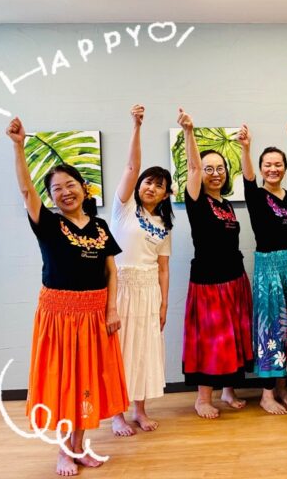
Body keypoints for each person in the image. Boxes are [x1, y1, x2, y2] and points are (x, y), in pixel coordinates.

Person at [7, 117, 129, 476]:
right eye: (56, 188)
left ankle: (78, 447)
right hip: (59, 315)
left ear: (83, 188)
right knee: (65, 384)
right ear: (51, 197)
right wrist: (18, 146)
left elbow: (111, 272)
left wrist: (111, 309)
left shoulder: (100, 226)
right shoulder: (48, 223)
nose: (65, 192)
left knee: (87, 384)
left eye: (70, 184)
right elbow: (26, 191)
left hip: (95, 314)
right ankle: (63, 451)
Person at [179, 108, 253, 419]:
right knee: (210, 341)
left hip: (234, 278)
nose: (214, 173)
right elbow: (193, 167)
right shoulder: (196, 200)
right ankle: (202, 399)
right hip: (208, 282)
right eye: (209, 168)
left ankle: (228, 390)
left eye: (220, 168)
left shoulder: (225, 204)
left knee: (231, 338)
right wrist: (189, 132)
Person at [110, 104, 174, 435]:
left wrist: (164, 304)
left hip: (150, 291)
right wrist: (136, 126)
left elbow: (164, 269)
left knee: (144, 351)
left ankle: (140, 410)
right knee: (120, 351)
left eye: (159, 185)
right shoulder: (123, 207)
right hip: (120, 288)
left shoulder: (163, 224)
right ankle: (117, 414)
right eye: (148, 182)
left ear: (165, 194)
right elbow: (131, 166)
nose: (151, 187)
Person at [238, 118, 287, 414]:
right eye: (268, 165)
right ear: (262, 168)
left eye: (278, 165)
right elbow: (248, 177)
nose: (273, 169)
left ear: (284, 168)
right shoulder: (256, 196)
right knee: (272, 329)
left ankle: (281, 386)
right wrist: (246, 147)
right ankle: (266, 394)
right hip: (269, 268)